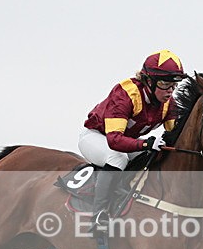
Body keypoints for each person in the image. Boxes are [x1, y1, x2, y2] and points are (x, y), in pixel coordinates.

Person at [78, 50, 186, 232]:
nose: (169, 91)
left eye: (174, 85)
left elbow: (175, 137)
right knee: (118, 158)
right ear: (148, 81)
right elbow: (114, 141)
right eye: (164, 84)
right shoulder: (126, 95)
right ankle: (98, 215)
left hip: (123, 142)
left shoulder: (169, 103)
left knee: (157, 153)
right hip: (95, 137)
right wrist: (145, 143)